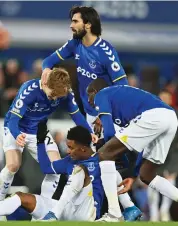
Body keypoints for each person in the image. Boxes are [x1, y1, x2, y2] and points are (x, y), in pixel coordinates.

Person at [42, 6, 128, 219]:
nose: (71, 25)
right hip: (90, 113)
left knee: (100, 159)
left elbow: (123, 87)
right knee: (94, 160)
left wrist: (105, 114)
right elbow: (49, 61)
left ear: (88, 24)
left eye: (76, 21)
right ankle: (125, 207)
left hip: (108, 114)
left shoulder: (106, 52)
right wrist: (46, 69)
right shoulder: (75, 44)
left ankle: (114, 209)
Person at [87, 78, 178, 220]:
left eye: (88, 95)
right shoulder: (124, 105)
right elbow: (142, 145)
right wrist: (134, 175)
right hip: (170, 118)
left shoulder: (102, 94)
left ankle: (114, 213)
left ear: (94, 91)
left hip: (155, 116)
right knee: (146, 174)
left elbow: (110, 134)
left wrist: (115, 154)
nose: (88, 101)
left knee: (104, 154)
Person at [0, 67, 95, 202]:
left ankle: (42, 210)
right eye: (51, 96)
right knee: (13, 165)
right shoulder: (30, 90)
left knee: (55, 168)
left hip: (38, 130)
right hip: (15, 128)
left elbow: (77, 116)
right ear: (45, 83)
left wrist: (90, 132)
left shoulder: (65, 92)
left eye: (58, 97)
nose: (54, 99)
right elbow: (13, 120)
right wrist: (17, 135)